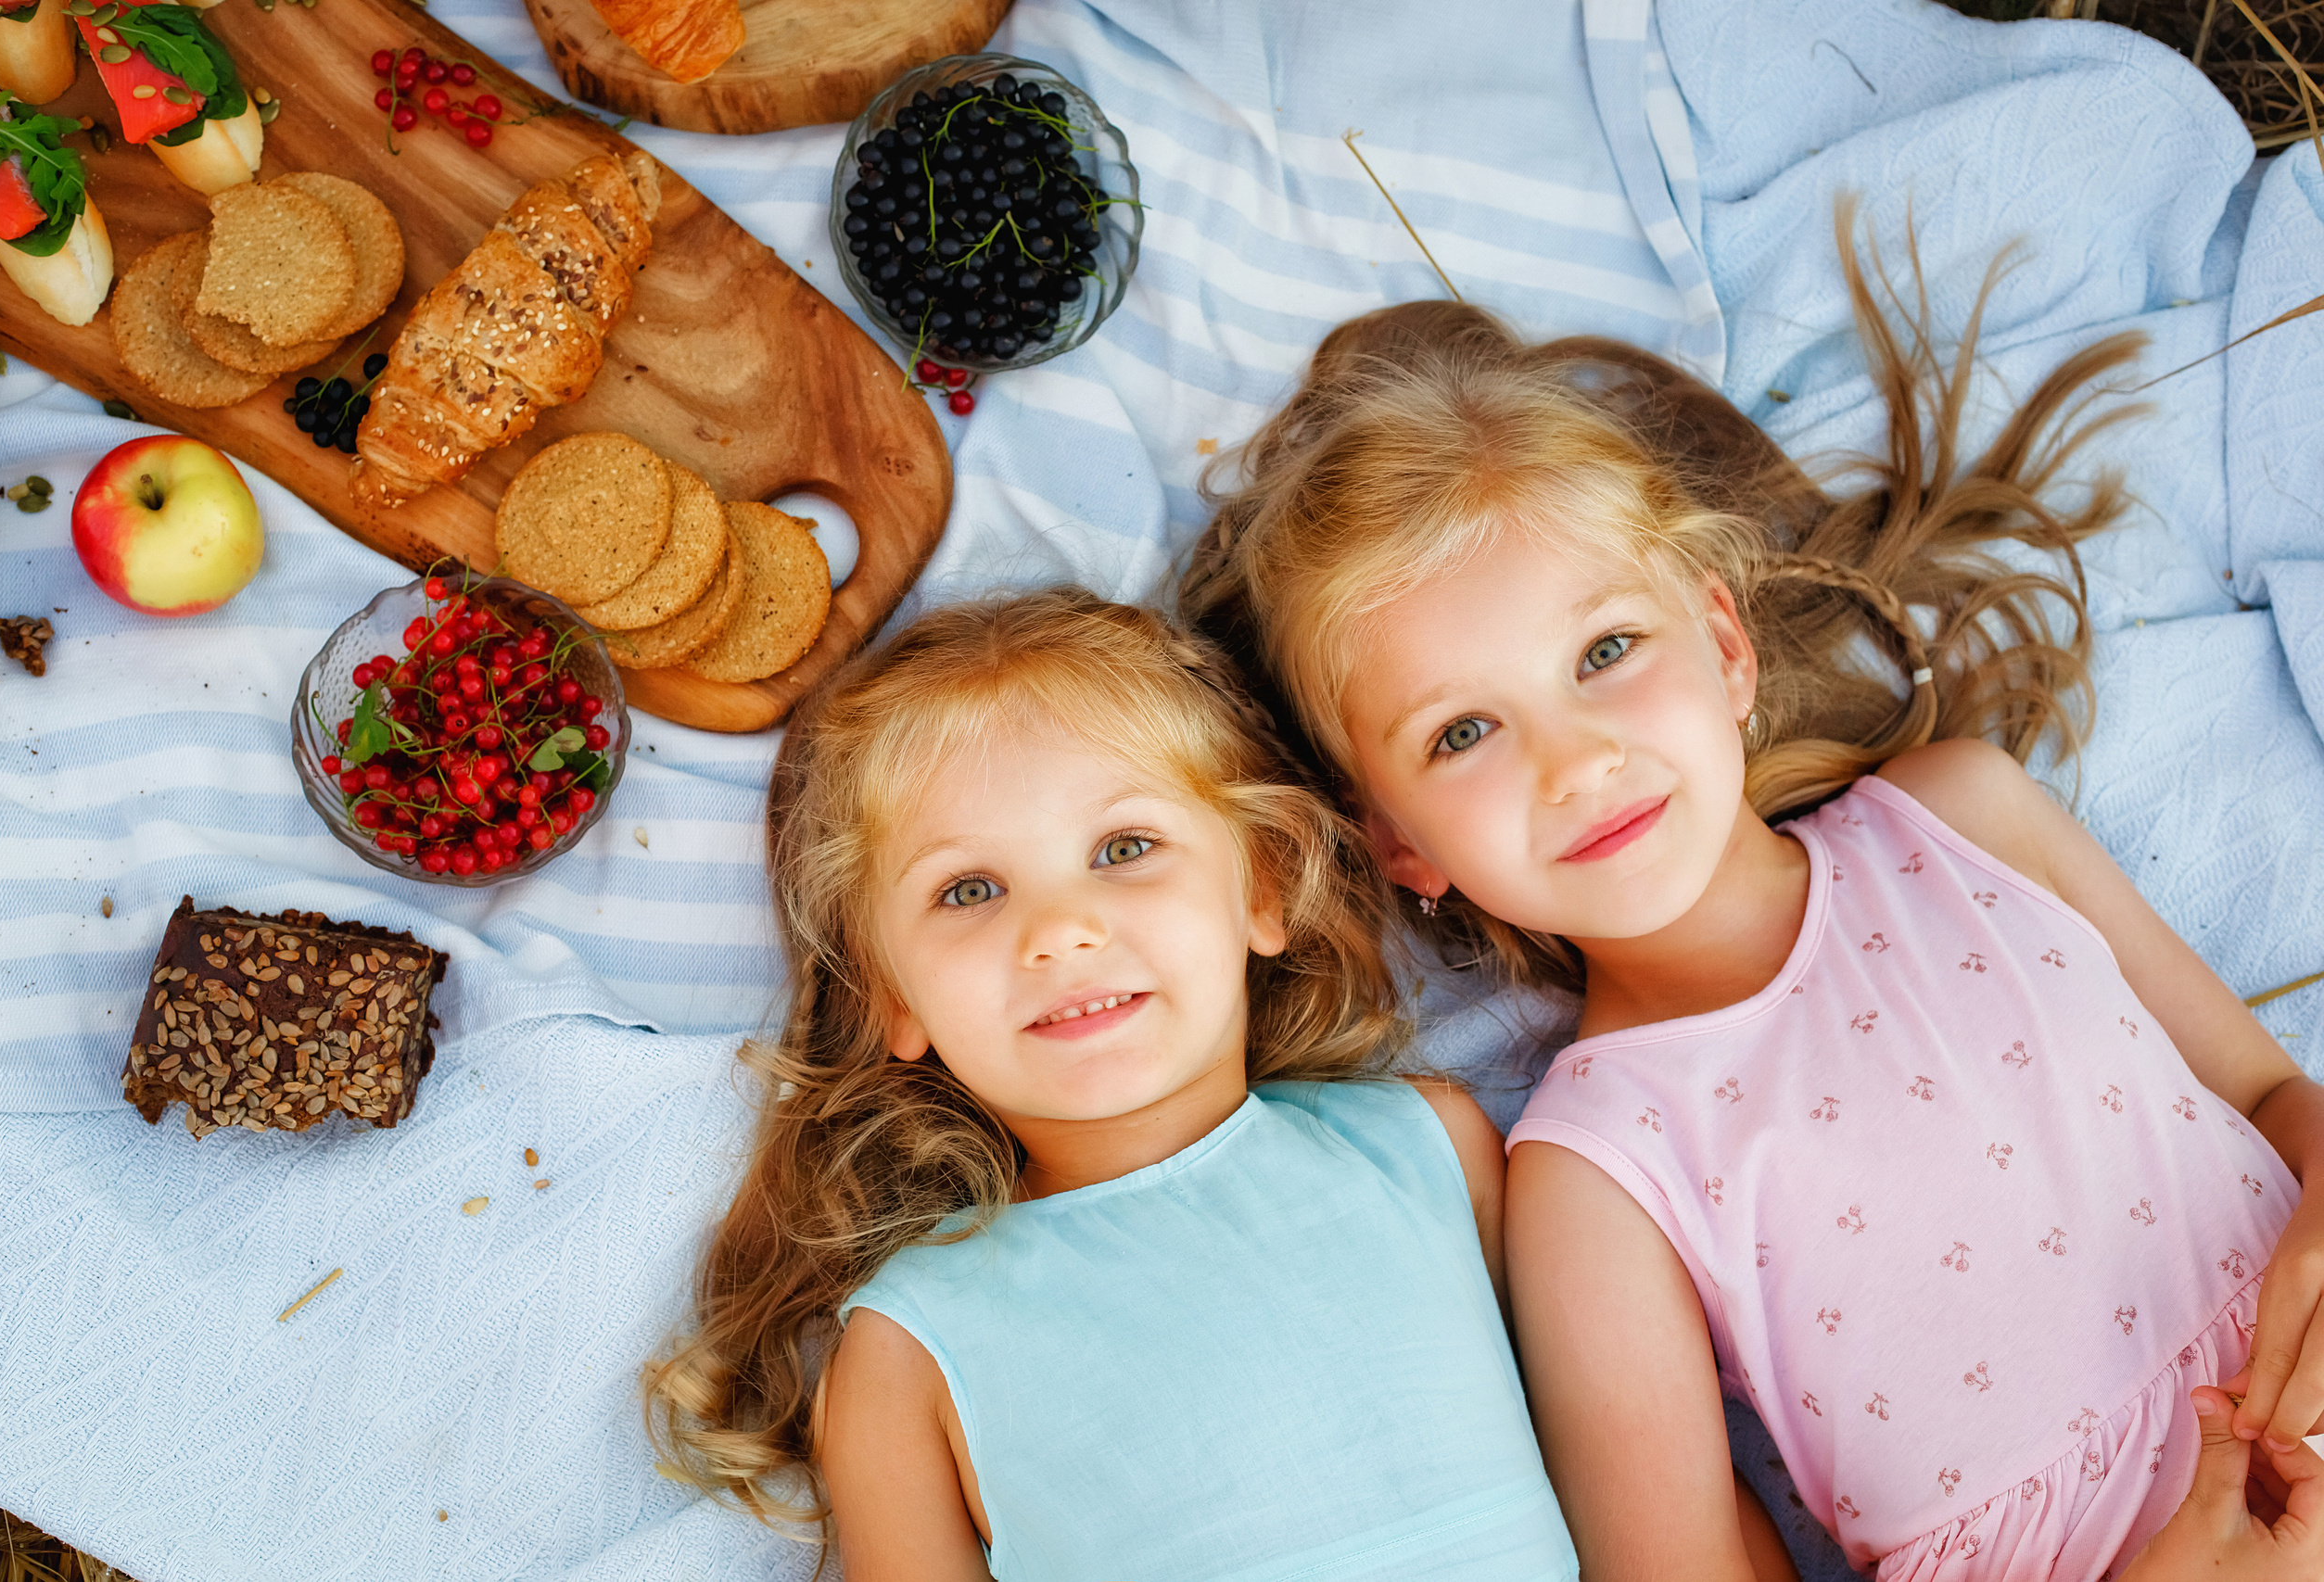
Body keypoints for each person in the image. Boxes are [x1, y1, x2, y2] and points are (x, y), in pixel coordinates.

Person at [1183, 211, 2324, 1580]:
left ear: (1723, 648)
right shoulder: (1593, 1176)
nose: (1575, 757)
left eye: (1605, 647)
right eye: (1462, 733)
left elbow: (2267, 1094)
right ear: (1402, 847)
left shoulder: (1965, 815)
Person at [641, 589, 1590, 1579]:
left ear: (1259, 890)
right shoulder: (904, 1352)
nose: (1060, 930)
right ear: (893, 995)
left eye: (1123, 849)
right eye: (968, 890)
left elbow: (1624, 1486)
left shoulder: (1430, 1147)